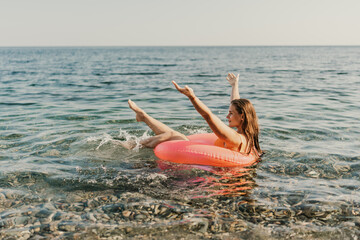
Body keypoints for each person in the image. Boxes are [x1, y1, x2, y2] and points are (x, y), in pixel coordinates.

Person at [127, 73, 262, 156]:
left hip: (210, 172)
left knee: (173, 136)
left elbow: (208, 115)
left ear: (242, 116)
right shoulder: (248, 134)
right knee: (179, 136)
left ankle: (134, 145)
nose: (227, 117)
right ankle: (144, 117)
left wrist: (192, 97)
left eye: (231, 114)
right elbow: (236, 104)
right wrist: (234, 86)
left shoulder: (235, 138)